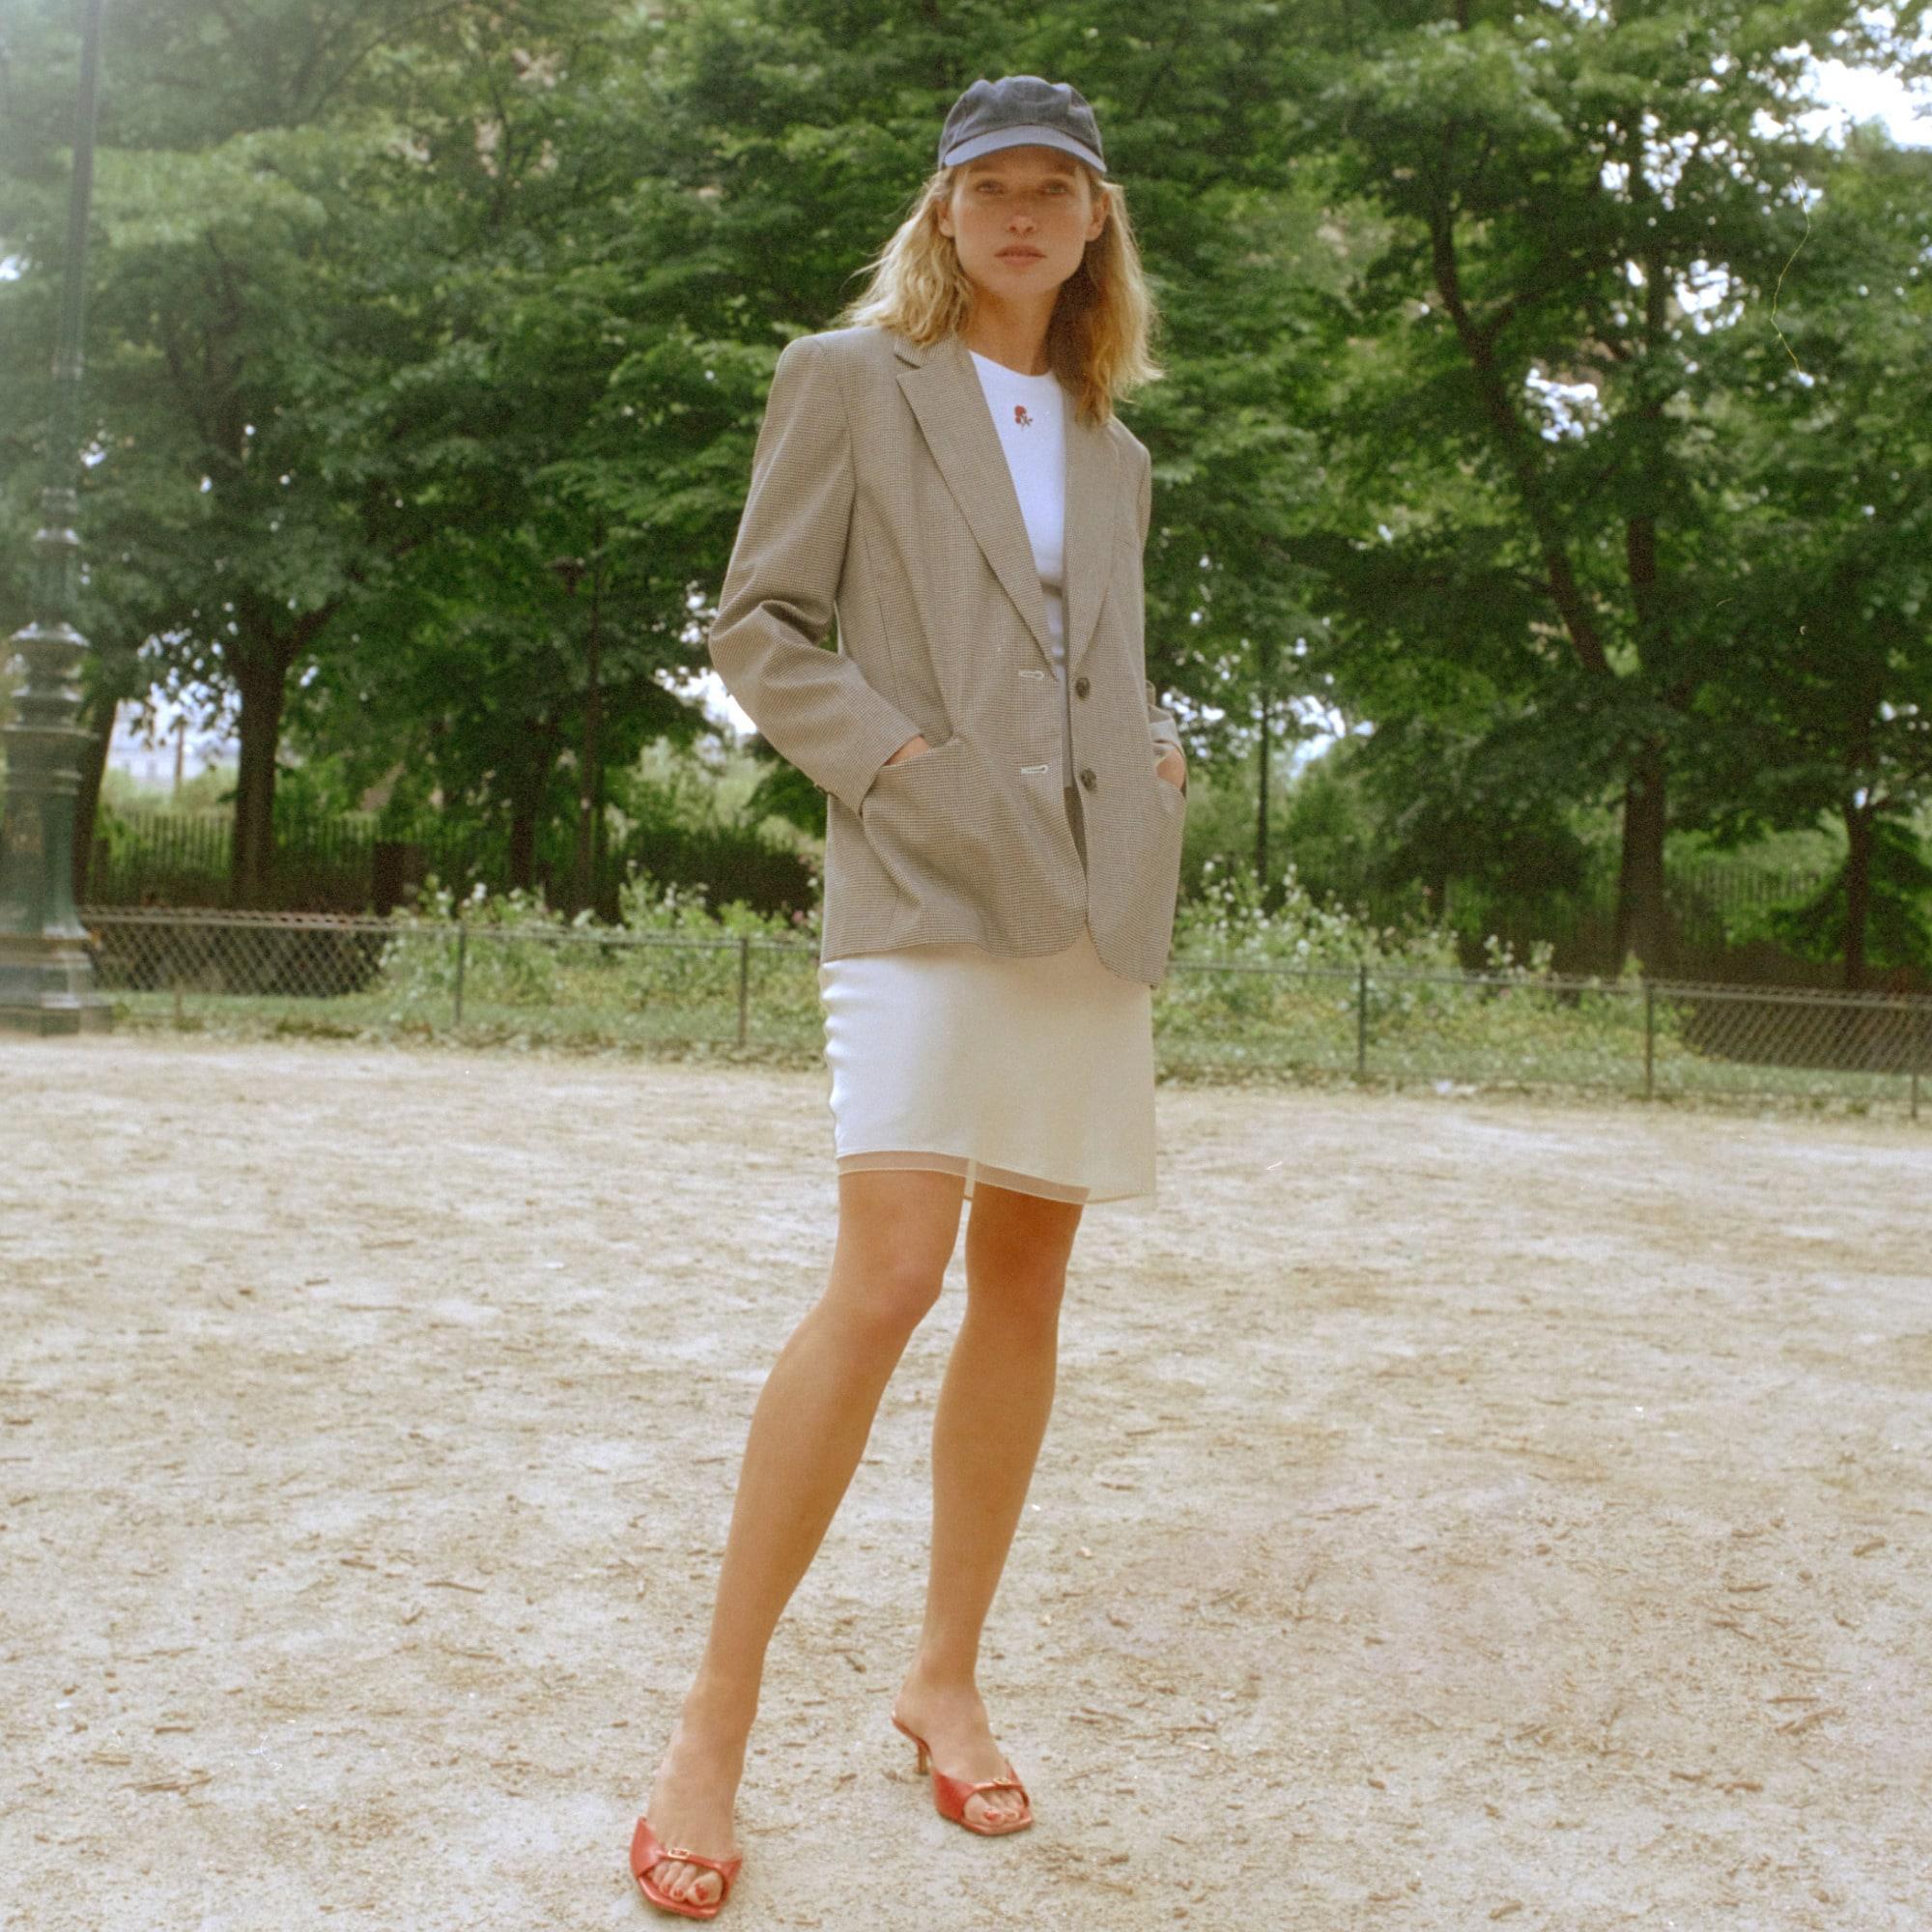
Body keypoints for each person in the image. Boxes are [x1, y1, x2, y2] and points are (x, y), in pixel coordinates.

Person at [629, 73, 1188, 1920]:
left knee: (1027, 1281)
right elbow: (759, 629)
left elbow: (1093, 662)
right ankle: (713, 1724)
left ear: (1095, 221)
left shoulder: (1116, 452)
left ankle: (944, 1679)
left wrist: (1156, 761)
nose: (1022, 214)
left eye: (1055, 190)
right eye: (990, 187)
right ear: (943, 211)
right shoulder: (848, 380)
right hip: (924, 879)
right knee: (885, 1279)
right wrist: (908, 772)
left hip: (1089, 906)